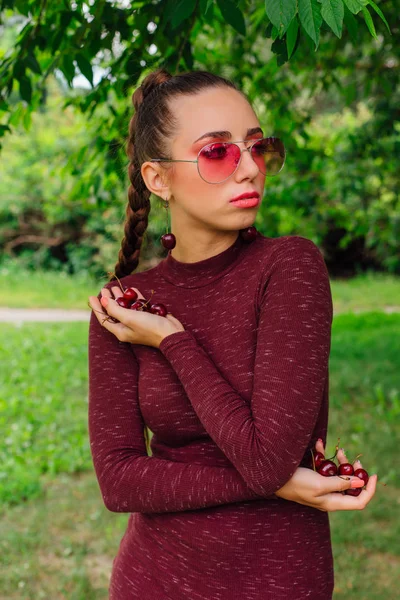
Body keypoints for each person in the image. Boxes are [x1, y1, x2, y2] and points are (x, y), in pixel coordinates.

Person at [88, 68, 377, 600]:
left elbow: (267, 457)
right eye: (217, 153)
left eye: (257, 146)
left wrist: (174, 343)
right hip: (153, 581)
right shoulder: (126, 307)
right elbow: (119, 481)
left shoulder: (289, 267)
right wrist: (285, 483)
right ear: (157, 178)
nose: (249, 169)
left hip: (276, 581)